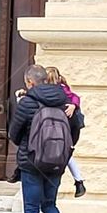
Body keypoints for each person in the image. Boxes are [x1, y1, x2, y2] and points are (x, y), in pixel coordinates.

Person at [8, 64, 82, 213]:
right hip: (56, 163)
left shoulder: (27, 102)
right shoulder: (66, 101)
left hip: (31, 164)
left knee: (31, 209)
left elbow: (13, 134)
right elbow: (76, 129)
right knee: (49, 204)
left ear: (30, 82)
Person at [44, 66, 87, 196]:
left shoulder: (50, 93)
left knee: (62, 154)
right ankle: (79, 181)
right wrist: (74, 105)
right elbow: (75, 97)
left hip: (60, 131)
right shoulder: (65, 91)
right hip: (69, 131)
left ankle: (79, 181)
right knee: (67, 154)